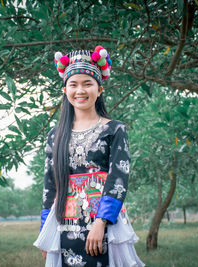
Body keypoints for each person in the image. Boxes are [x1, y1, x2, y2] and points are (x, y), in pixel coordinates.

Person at [34, 46, 144, 267]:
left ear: (100, 89)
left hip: (105, 222)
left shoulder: (114, 129)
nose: (80, 90)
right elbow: (50, 186)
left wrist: (101, 222)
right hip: (65, 223)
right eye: (73, 84)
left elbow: (118, 179)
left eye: (87, 84)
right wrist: (46, 231)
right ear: (65, 90)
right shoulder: (55, 135)